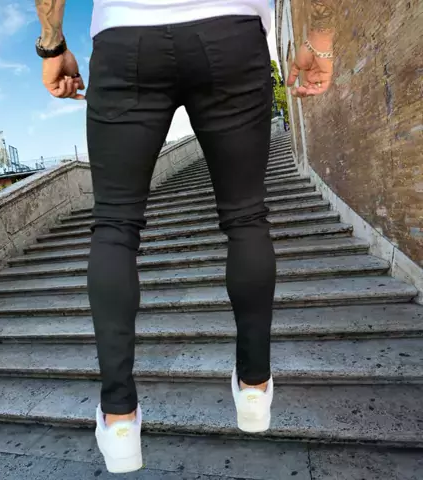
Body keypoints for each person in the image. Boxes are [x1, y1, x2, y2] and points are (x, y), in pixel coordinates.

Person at [34, 0, 335, 474]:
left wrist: (52, 44)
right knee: (246, 218)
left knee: (114, 226)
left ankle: (119, 418)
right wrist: (320, 40)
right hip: (231, 32)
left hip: (125, 38)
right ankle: (254, 388)